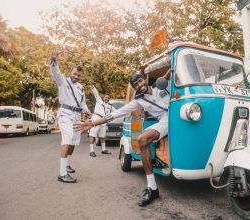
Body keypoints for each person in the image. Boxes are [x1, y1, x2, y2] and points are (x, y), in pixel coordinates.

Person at [75, 73, 170, 206]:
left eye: (140, 81)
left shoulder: (162, 85)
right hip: (166, 121)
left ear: (145, 80)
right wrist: (93, 123)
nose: (139, 85)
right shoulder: (139, 100)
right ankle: (152, 188)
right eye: (136, 85)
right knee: (142, 139)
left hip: (184, 113)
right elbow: (116, 113)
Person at [50, 50, 91, 183]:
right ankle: (62, 174)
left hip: (77, 116)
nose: (76, 77)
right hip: (65, 115)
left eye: (79, 75)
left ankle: (66, 165)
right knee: (67, 139)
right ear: (70, 73)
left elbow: (83, 102)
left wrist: (87, 111)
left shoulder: (81, 87)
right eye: (74, 74)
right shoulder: (63, 81)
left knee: (73, 143)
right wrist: (54, 60)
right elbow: (55, 72)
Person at [88, 83, 112, 157]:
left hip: (103, 121)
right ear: (103, 98)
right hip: (96, 118)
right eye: (105, 97)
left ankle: (103, 150)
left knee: (102, 137)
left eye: (108, 98)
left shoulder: (110, 106)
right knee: (93, 135)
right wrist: (92, 86)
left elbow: (118, 111)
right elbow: (95, 93)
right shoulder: (99, 101)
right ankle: (91, 151)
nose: (107, 98)